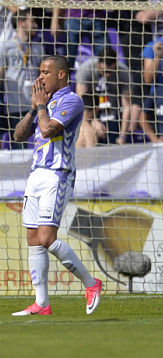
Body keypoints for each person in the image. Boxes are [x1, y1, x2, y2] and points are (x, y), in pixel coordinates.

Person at [11, 55, 103, 316]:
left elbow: (50, 129)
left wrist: (42, 107)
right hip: (36, 174)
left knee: (47, 238)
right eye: (39, 72)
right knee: (33, 239)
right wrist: (34, 107)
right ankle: (42, 303)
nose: (40, 77)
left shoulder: (72, 100)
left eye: (45, 72)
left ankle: (91, 282)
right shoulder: (44, 102)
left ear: (61, 75)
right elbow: (18, 135)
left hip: (57, 174)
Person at [75, 47, 139, 146]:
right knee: (88, 135)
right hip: (93, 114)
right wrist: (93, 121)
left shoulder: (124, 72)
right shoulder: (86, 69)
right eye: (104, 71)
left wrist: (122, 136)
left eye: (111, 71)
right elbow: (81, 101)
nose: (108, 75)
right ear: (98, 64)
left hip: (113, 115)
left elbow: (127, 106)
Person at [0, 8, 43, 149]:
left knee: (41, 147)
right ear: (21, 23)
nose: (36, 25)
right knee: (19, 152)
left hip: (37, 105)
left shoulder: (38, 48)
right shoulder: (5, 47)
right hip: (16, 107)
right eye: (32, 21)